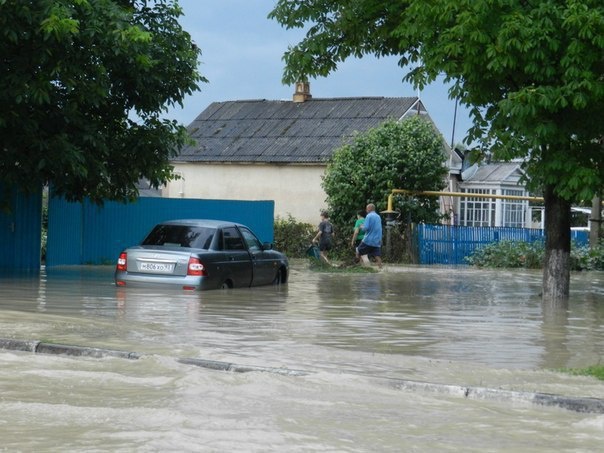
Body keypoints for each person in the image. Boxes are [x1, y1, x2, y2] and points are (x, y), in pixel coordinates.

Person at [358, 203, 383, 268]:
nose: (366, 210)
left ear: (369, 208)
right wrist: (380, 239)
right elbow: (379, 228)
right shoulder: (378, 216)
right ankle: (381, 268)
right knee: (377, 255)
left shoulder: (369, 216)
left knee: (359, 250)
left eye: (367, 208)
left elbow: (366, 228)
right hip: (377, 240)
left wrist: (361, 227)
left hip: (368, 240)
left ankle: (364, 266)